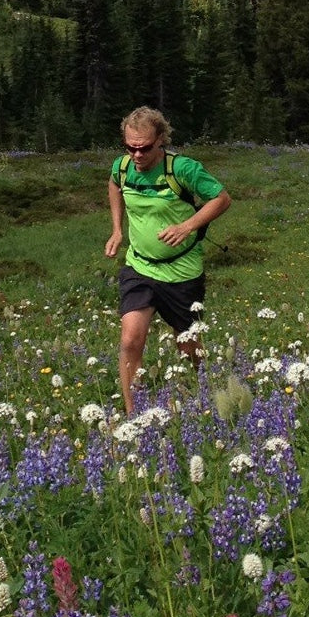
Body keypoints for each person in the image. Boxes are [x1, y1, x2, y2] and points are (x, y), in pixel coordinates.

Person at [105, 107, 231, 414]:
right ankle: (133, 413)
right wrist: (117, 229)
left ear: (161, 140)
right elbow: (113, 185)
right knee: (131, 338)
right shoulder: (122, 167)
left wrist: (187, 226)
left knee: (189, 347)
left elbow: (222, 199)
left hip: (182, 272)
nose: (136, 155)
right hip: (140, 266)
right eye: (130, 147)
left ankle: (205, 397)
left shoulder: (183, 169)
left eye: (144, 148)